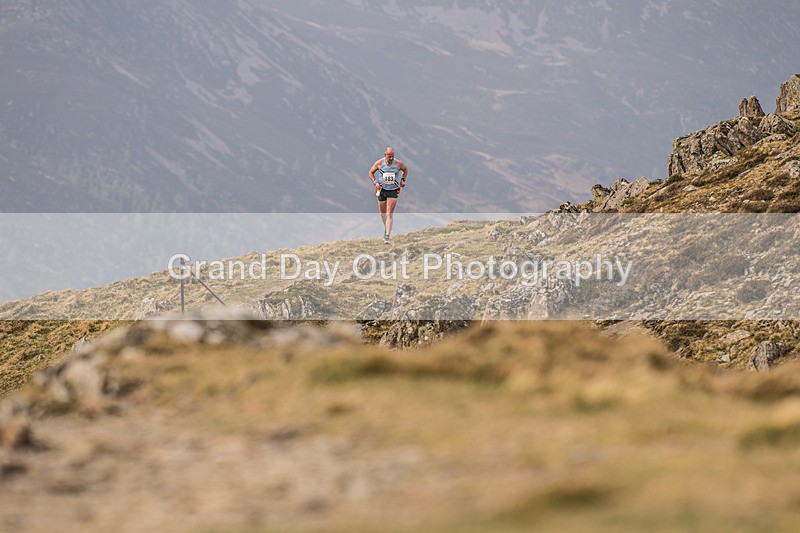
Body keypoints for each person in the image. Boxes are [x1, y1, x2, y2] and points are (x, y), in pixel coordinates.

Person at [369, 147, 408, 243]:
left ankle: (387, 235)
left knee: (389, 213)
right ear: (385, 155)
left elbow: (405, 170)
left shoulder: (398, 163)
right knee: (382, 214)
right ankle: (387, 227)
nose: (391, 159)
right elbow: (370, 172)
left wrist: (403, 180)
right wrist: (375, 182)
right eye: (389, 157)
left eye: (392, 157)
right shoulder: (379, 163)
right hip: (382, 190)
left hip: (393, 190)